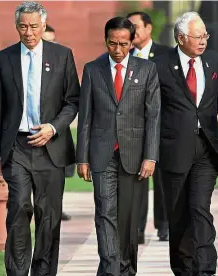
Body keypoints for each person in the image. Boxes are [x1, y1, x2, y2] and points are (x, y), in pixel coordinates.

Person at [0, 2, 80, 275]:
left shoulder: (62, 55)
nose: (28, 32)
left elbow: (73, 100)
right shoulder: (3, 58)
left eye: (33, 26)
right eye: (23, 26)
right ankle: (16, 272)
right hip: (17, 147)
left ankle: (43, 272)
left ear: (43, 25)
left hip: (51, 147)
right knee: (18, 208)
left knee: (49, 216)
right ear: (17, 26)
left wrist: (53, 127)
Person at [76, 16, 160, 275]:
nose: (118, 50)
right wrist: (82, 157)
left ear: (132, 42)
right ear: (106, 41)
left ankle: (126, 268)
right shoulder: (92, 70)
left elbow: (153, 116)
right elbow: (86, 117)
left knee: (128, 218)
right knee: (105, 212)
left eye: (124, 44)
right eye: (113, 43)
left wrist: (151, 156)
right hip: (102, 155)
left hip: (135, 157)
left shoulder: (147, 70)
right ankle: (112, 268)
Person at [153, 11, 218, 276]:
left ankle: (206, 269)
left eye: (205, 35)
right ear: (181, 37)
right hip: (173, 149)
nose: (204, 41)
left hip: (206, 148)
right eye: (198, 36)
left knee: (199, 207)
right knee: (179, 215)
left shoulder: (214, 61)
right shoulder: (160, 65)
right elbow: (153, 110)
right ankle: (183, 269)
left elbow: (213, 103)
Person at [126, 11, 171, 244]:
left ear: (149, 28)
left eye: (136, 26)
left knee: (162, 179)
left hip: (161, 127)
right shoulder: (122, 55)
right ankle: (137, 228)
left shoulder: (166, 54)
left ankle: (164, 225)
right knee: (136, 180)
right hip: (132, 129)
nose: (132, 31)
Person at [41, 23, 73, 222]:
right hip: (28, 136)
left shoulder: (62, 62)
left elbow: (72, 100)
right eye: (47, 41)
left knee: (56, 180)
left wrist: (55, 126)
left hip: (56, 131)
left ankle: (55, 208)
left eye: (54, 41)